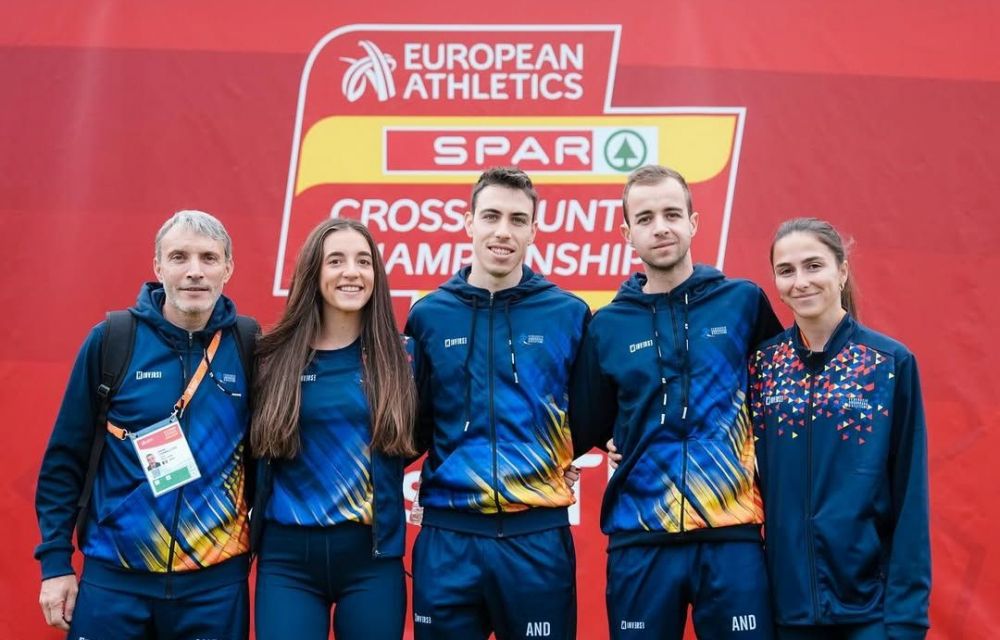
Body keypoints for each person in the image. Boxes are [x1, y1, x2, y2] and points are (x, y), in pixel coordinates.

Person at [571, 165, 782, 639]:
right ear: (627, 234)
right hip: (640, 537)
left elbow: (778, 397)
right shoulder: (607, 325)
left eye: (671, 214)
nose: (660, 227)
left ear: (693, 222)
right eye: (645, 218)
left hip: (732, 535)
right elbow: (585, 422)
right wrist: (615, 440)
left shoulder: (743, 302)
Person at [35, 210, 254, 639]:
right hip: (114, 581)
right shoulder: (113, 340)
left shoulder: (249, 347)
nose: (194, 271)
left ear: (228, 268)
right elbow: (65, 459)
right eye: (179, 257)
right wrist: (55, 564)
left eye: (209, 258)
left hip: (214, 589)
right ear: (158, 267)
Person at [405, 166, 591, 640]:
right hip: (449, 539)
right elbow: (412, 427)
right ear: (469, 222)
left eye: (517, 219)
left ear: (534, 230)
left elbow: (592, 415)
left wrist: (561, 456)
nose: (503, 232)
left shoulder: (569, 314)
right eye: (491, 216)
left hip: (537, 539)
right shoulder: (428, 316)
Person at [749, 218, 930, 639]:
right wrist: (623, 439)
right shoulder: (761, 366)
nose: (801, 282)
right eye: (786, 270)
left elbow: (910, 493)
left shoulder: (888, 363)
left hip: (870, 611)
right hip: (784, 611)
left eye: (814, 266)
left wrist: (906, 617)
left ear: (842, 270)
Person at [250, 218, 417, 640]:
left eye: (363, 261)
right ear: (314, 272)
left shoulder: (404, 358)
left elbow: (430, 432)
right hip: (287, 561)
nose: (351, 272)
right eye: (336, 261)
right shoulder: (269, 358)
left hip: (372, 559)